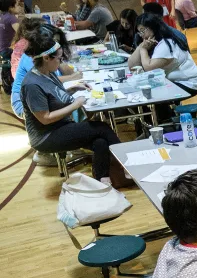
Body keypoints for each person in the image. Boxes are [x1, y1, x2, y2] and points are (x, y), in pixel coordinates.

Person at [20, 26, 125, 185]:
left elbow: (56, 96)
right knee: (102, 128)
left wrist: (74, 88)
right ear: (47, 58)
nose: (60, 62)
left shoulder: (47, 73)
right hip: (45, 136)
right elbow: (45, 119)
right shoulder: (32, 85)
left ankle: (103, 181)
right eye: (59, 58)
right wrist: (75, 104)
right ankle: (127, 165)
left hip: (59, 126)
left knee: (100, 142)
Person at [10, 24, 80, 120]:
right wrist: (73, 78)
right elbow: (43, 83)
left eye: (58, 42)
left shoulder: (50, 62)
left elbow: (66, 72)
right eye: (54, 41)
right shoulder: (35, 63)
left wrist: (58, 58)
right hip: (26, 103)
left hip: (43, 98)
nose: (57, 45)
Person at [129, 11, 197, 97]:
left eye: (142, 31)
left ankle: (168, 110)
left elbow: (149, 68)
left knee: (152, 94)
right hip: (175, 80)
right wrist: (141, 46)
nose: (141, 35)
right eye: (139, 32)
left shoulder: (167, 43)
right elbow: (132, 66)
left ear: (152, 27)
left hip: (187, 83)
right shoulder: (153, 41)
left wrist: (143, 49)